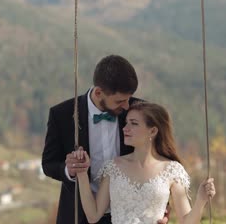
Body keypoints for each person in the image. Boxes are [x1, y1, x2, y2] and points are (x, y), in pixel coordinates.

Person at [42, 55, 168, 224]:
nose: (126, 106)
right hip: (78, 215)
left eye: (128, 98)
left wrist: (160, 206)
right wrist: (69, 170)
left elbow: (159, 159)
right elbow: (48, 164)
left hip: (131, 215)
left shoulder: (139, 112)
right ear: (99, 92)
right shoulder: (62, 114)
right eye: (120, 101)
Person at [74, 101, 216, 224]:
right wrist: (81, 173)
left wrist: (201, 200)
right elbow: (93, 216)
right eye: (126, 123)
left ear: (153, 131)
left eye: (134, 123)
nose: (125, 128)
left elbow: (186, 221)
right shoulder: (113, 167)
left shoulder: (172, 170)